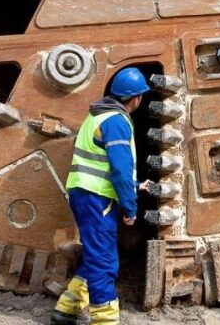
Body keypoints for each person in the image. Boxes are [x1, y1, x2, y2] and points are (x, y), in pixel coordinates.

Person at [51, 68, 151, 325]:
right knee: (105, 261)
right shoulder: (117, 121)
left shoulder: (96, 116)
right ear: (136, 98)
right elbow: (119, 168)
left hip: (85, 192)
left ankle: (66, 309)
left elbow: (101, 164)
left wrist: (135, 185)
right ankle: (105, 320)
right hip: (97, 198)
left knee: (97, 255)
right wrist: (130, 208)